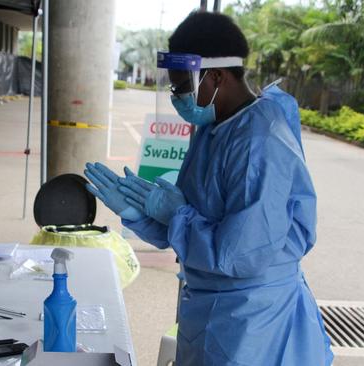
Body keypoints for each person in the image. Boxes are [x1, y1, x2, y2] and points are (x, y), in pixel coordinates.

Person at [85, 12, 333, 366]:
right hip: (212, 306)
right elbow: (192, 225)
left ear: (216, 75)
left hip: (252, 321)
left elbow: (240, 254)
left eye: (182, 87)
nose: (176, 97)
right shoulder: (215, 127)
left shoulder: (258, 141)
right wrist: (141, 215)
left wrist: (176, 215)